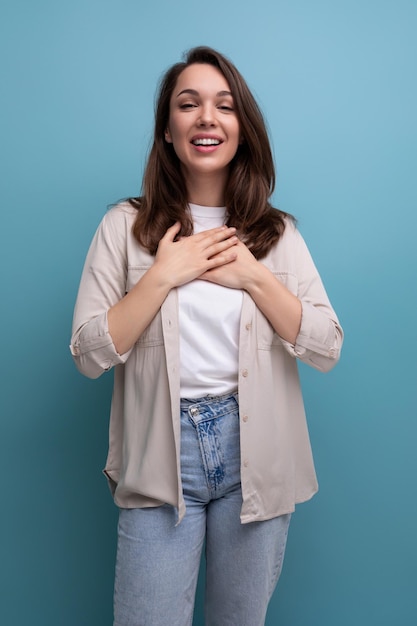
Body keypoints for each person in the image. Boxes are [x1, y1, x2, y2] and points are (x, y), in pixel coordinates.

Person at [70, 46, 343, 626]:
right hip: (158, 456)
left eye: (224, 105)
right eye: (187, 104)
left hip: (257, 456)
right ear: (167, 130)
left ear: (242, 127)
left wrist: (252, 276)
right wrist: (163, 276)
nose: (206, 118)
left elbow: (326, 345)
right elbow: (89, 354)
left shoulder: (277, 234)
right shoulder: (125, 226)